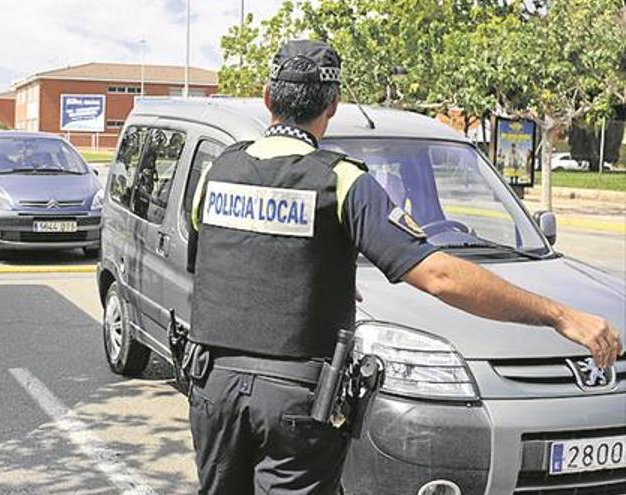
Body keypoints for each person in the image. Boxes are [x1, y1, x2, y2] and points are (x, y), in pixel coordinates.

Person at [186, 39, 622, 495]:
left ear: (268, 97)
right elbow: (440, 275)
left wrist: (316, 277)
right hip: (295, 400)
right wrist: (560, 315)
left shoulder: (218, 170)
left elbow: (222, 260)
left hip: (214, 390)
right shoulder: (341, 180)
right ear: (331, 106)